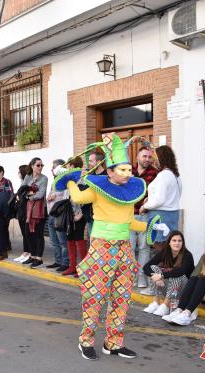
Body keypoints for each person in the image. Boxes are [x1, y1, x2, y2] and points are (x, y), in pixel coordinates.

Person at [54, 133, 169, 360]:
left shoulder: (127, 194)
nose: (128, 174)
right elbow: (77, 197)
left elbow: (128, 222)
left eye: (129, 169)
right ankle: (86, 340)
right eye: (123, 170)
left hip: (124, 250)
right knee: (95, 297)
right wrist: (68, 178)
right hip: (101, 249)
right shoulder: (98, 190)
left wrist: (150, 227)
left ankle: (113, 343)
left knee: (122, 297)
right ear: (109, 172)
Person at [142, 231, 195, 317]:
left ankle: (166, 306)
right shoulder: (165, 252)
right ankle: (155, 302)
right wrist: (156, 277)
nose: (177, 243)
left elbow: (180, 271)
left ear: (183, 243)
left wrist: (161, 276)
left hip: (184, 289)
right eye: (174, 240)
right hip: (170, 288)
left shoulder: (187, 255)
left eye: (179, 241)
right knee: (153, 269)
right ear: (169, 243)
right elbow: (146, 267)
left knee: (176, 275)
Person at [141, 145, 181, 243]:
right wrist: (150, 199)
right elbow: (172, 196)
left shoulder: (163, 175)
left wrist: (145, 206)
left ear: (161, 159)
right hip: (173, 215)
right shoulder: (175, 175)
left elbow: (159, 200)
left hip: (160, 216)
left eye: (155, 158)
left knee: (159, 248)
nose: (153, 161)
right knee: (169, 246)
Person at [130, 146, 158, 288]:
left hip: (145, 215)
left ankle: (141, 277)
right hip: (128, 216)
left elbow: (159, 193)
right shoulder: (129, 171)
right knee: (129, 248)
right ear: (137, 157)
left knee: (144, 248)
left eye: (149, 156)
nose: (147, 159)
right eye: (144, 156)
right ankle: (131, 276)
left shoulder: (155, 173)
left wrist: (150, 198)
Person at [21, 158, 47, 268]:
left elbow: (41, 194)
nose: (40, 167)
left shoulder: (44, 178)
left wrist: (29, 195)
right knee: (28, 233)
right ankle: (32, 256)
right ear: (32, 166)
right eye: (38, 165)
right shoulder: (28, 177)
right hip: (28, 209)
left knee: (38, 234)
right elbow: (22, 190)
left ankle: (39, 258)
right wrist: (29, 194)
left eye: (42, 165)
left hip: (39, 209)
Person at [46, 159, 70, 272]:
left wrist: (53, 197)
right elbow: (49, 196)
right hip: (51, 214)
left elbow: (66, 198)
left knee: (62, 241)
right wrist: (49, 197)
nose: (52, 169)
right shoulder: (54, 181)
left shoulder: (66, 181)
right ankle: (58, 260)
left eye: (54, 167)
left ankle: (65, 262)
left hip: (60, 215)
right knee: (54, 241)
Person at [13, 165, 31, 263]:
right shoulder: (22, 183)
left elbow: (24, 198)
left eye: (19, 172)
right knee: (24, 233)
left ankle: (29, 252)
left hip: (25, 211)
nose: (18, 174)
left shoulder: (27, 184)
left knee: (27, 233)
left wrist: (18, 197)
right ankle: (25, 252)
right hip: (20, 211)